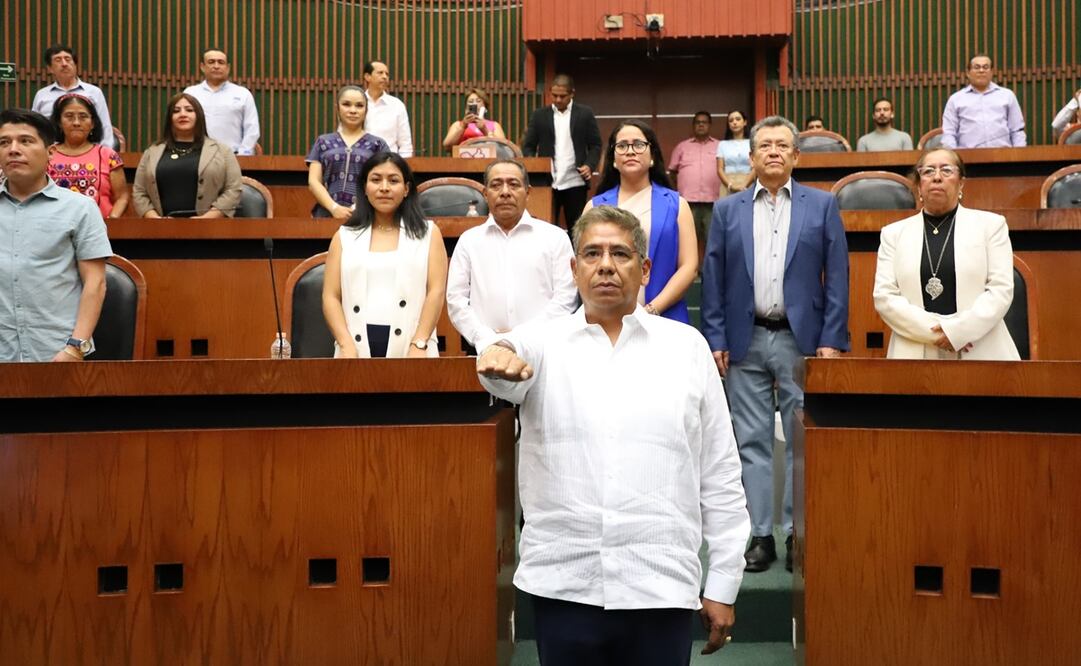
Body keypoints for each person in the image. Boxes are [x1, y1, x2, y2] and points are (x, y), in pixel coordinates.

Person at [476, 205, 751, 665]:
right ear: (574, 268)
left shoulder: (687, 348)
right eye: (592, 253)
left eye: (620, 253)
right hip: (566, 583)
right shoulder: (542, 344)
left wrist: (723, 582)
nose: (605, 264)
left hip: (659, 585)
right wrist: (498, 354)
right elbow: (503, 365)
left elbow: (719, 471)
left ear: (644, 270)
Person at [701, 115, 850, 574]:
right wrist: (717, 336)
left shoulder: (821, 206)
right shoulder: (727, 211)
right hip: (745, 341)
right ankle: (761, 534)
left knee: (801, 441)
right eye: (764, 145)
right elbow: (713, 278)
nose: (773, 152)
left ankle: (795, 533)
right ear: (750, 157)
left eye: (782, 145)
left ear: (796, 155)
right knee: (751, 441)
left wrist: (831, 339)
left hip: (799, 341)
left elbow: (838, 278)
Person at [873, 148, 1019, 360]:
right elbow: (884, 297)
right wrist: (939, 333)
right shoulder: (893, 234)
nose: (937, 177)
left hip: (980, 349)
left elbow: (1000, 290)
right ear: (918, 185)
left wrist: (959, 332)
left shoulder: (991, 226)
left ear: (961, 183)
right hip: (914, 350)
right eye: (928, 171)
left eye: (946, 170)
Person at [0, 108, 112, 362]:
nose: (13, 149)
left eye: (26, 141)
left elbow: (95, 283)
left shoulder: (80, 208)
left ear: (51, 152)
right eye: (4, 142)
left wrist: (75, 347)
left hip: (57, 355)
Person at [322, 152, 447, 358]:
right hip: (354, 345)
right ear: (364, 187)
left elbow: (436, 291)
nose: (384, 188)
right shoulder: (344, 236)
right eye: (376, 180)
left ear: (406, 189)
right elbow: (331, 296)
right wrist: (345, 344)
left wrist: (420, 341)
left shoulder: (428, 233)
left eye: (394, 180)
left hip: (413, 346)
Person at [447, 159, 576, 353]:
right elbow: (456, 300)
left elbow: (566, 299)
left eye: (514, 184)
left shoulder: (555, 238)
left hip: (544, 349)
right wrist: (487, 338)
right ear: (485, 193)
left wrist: (518, 338)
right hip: (485, 349)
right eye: (496, 185)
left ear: (528, 192)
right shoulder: (469, 241)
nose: (505, 192)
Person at [584, 119, 697, 324]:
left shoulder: (677, 205)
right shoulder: (595, 207)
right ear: (613, 160)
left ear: (652, 156)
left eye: (638, 144)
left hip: (666, 319)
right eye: (622, 146)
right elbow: (586, 265)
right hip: (606, 320)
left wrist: (651, 311)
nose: (630, 151)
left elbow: (689, 267)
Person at [132, 92, 242, 218]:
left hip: (210, 229)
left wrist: (206, 218)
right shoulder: (152, 152)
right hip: (160, 229)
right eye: (176, 111)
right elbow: (139, 191)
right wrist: (155, 220)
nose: (182, 114)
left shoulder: (222, 151)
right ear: (170, 118)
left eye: (189, 110)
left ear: (199, 116)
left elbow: (233, 189)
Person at [521, 74, 602, 233]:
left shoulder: (584, 114)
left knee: (577, 229)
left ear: (572, 93)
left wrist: (589, 165)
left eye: (562, 96)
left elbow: (595, 145)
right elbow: (528, 146)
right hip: (546, 182)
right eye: (554, 95)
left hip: (575, 180)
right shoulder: (540, 116)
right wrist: (535, 167)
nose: (558, 100)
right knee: (545, 227)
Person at [306, 85, 390, 218]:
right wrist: (334, 208)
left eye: (359, 105)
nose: (353, 110)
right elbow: (313, 181)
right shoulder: (322, 141)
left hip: (366, 215)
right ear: (337, 108)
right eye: (346, 104)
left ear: (366, 110)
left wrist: (359, 208)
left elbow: (383, 182)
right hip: (326, 214)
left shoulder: (378, 144)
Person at [47, 93, 129, 218]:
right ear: (59, 122)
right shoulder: (47, 154)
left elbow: (122, 197)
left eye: (83, 117)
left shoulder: (107, 155)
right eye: (69, 116)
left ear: (92, 123)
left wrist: (112, 220)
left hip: (98, 230)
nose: (76, 122)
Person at [31, 44, 115, 149]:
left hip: (88, 151)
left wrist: (105, 155)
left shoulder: (94, 92)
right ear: (50, 68)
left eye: (68, 59)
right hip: (51, 153)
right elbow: (33, 128)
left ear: (75, 65)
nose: (64, 64)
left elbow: (105, 126)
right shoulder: (41, 95)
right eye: (58, 60)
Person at [183, 49, 261, 155]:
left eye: (221, 62)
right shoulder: (190, 93)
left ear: (228, 68)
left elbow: (252, 128)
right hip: (196, 156)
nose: (216, 66)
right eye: (211, 62)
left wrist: (243, 155)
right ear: (202, 66)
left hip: (234, 156)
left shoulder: (243, 93)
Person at [667, 111, 721, 263]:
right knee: (687, 240)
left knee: (713, 239)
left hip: (713, 202)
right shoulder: (682, 147)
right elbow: (672, 172)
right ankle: (690, 271)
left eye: (704, 122)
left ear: (709, 125)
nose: (701, 125)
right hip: (688, 203)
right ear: (693, 126)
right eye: (698, 122)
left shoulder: (719, 146)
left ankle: (709, 272)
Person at [941, 55, 1026, 148]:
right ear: (968, 72)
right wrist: (953, 157)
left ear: (992, 72)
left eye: (985, 67)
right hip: (967, 157)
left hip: (1003, 156)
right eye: (976, 67)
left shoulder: (1007, 95)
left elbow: (1017, 130)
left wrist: (1018, 155)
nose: (981, 71)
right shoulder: (956, 99)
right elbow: (949, 133)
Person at [362, 60, 414, 157]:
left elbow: (405, 143)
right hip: (360, 161)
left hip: (389, 162)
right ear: (367, 77)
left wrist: (402, 166)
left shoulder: (397, 105)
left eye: (387, 74)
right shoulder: (357, 102)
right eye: (380, 73)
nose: (385, 77)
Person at [442, 88, 507, 149]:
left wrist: (485, 130)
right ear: (466, 107)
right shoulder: (458, 125)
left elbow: (503, 147)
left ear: (485, 106)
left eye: (478, 101)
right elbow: (447, 146)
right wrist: (463, 126)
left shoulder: (494, 125)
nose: (474, 104)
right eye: (470, 101)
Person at [716, 110, 754, 197]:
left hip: (748, 183)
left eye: (738, 119)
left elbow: (755, 167)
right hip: (727, 184)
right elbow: (720, 169)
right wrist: (730, 185)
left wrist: (745, 185)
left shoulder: (752, 143)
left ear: (745, 122)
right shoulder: (722, 144)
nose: (734, 122)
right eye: (731, 120)